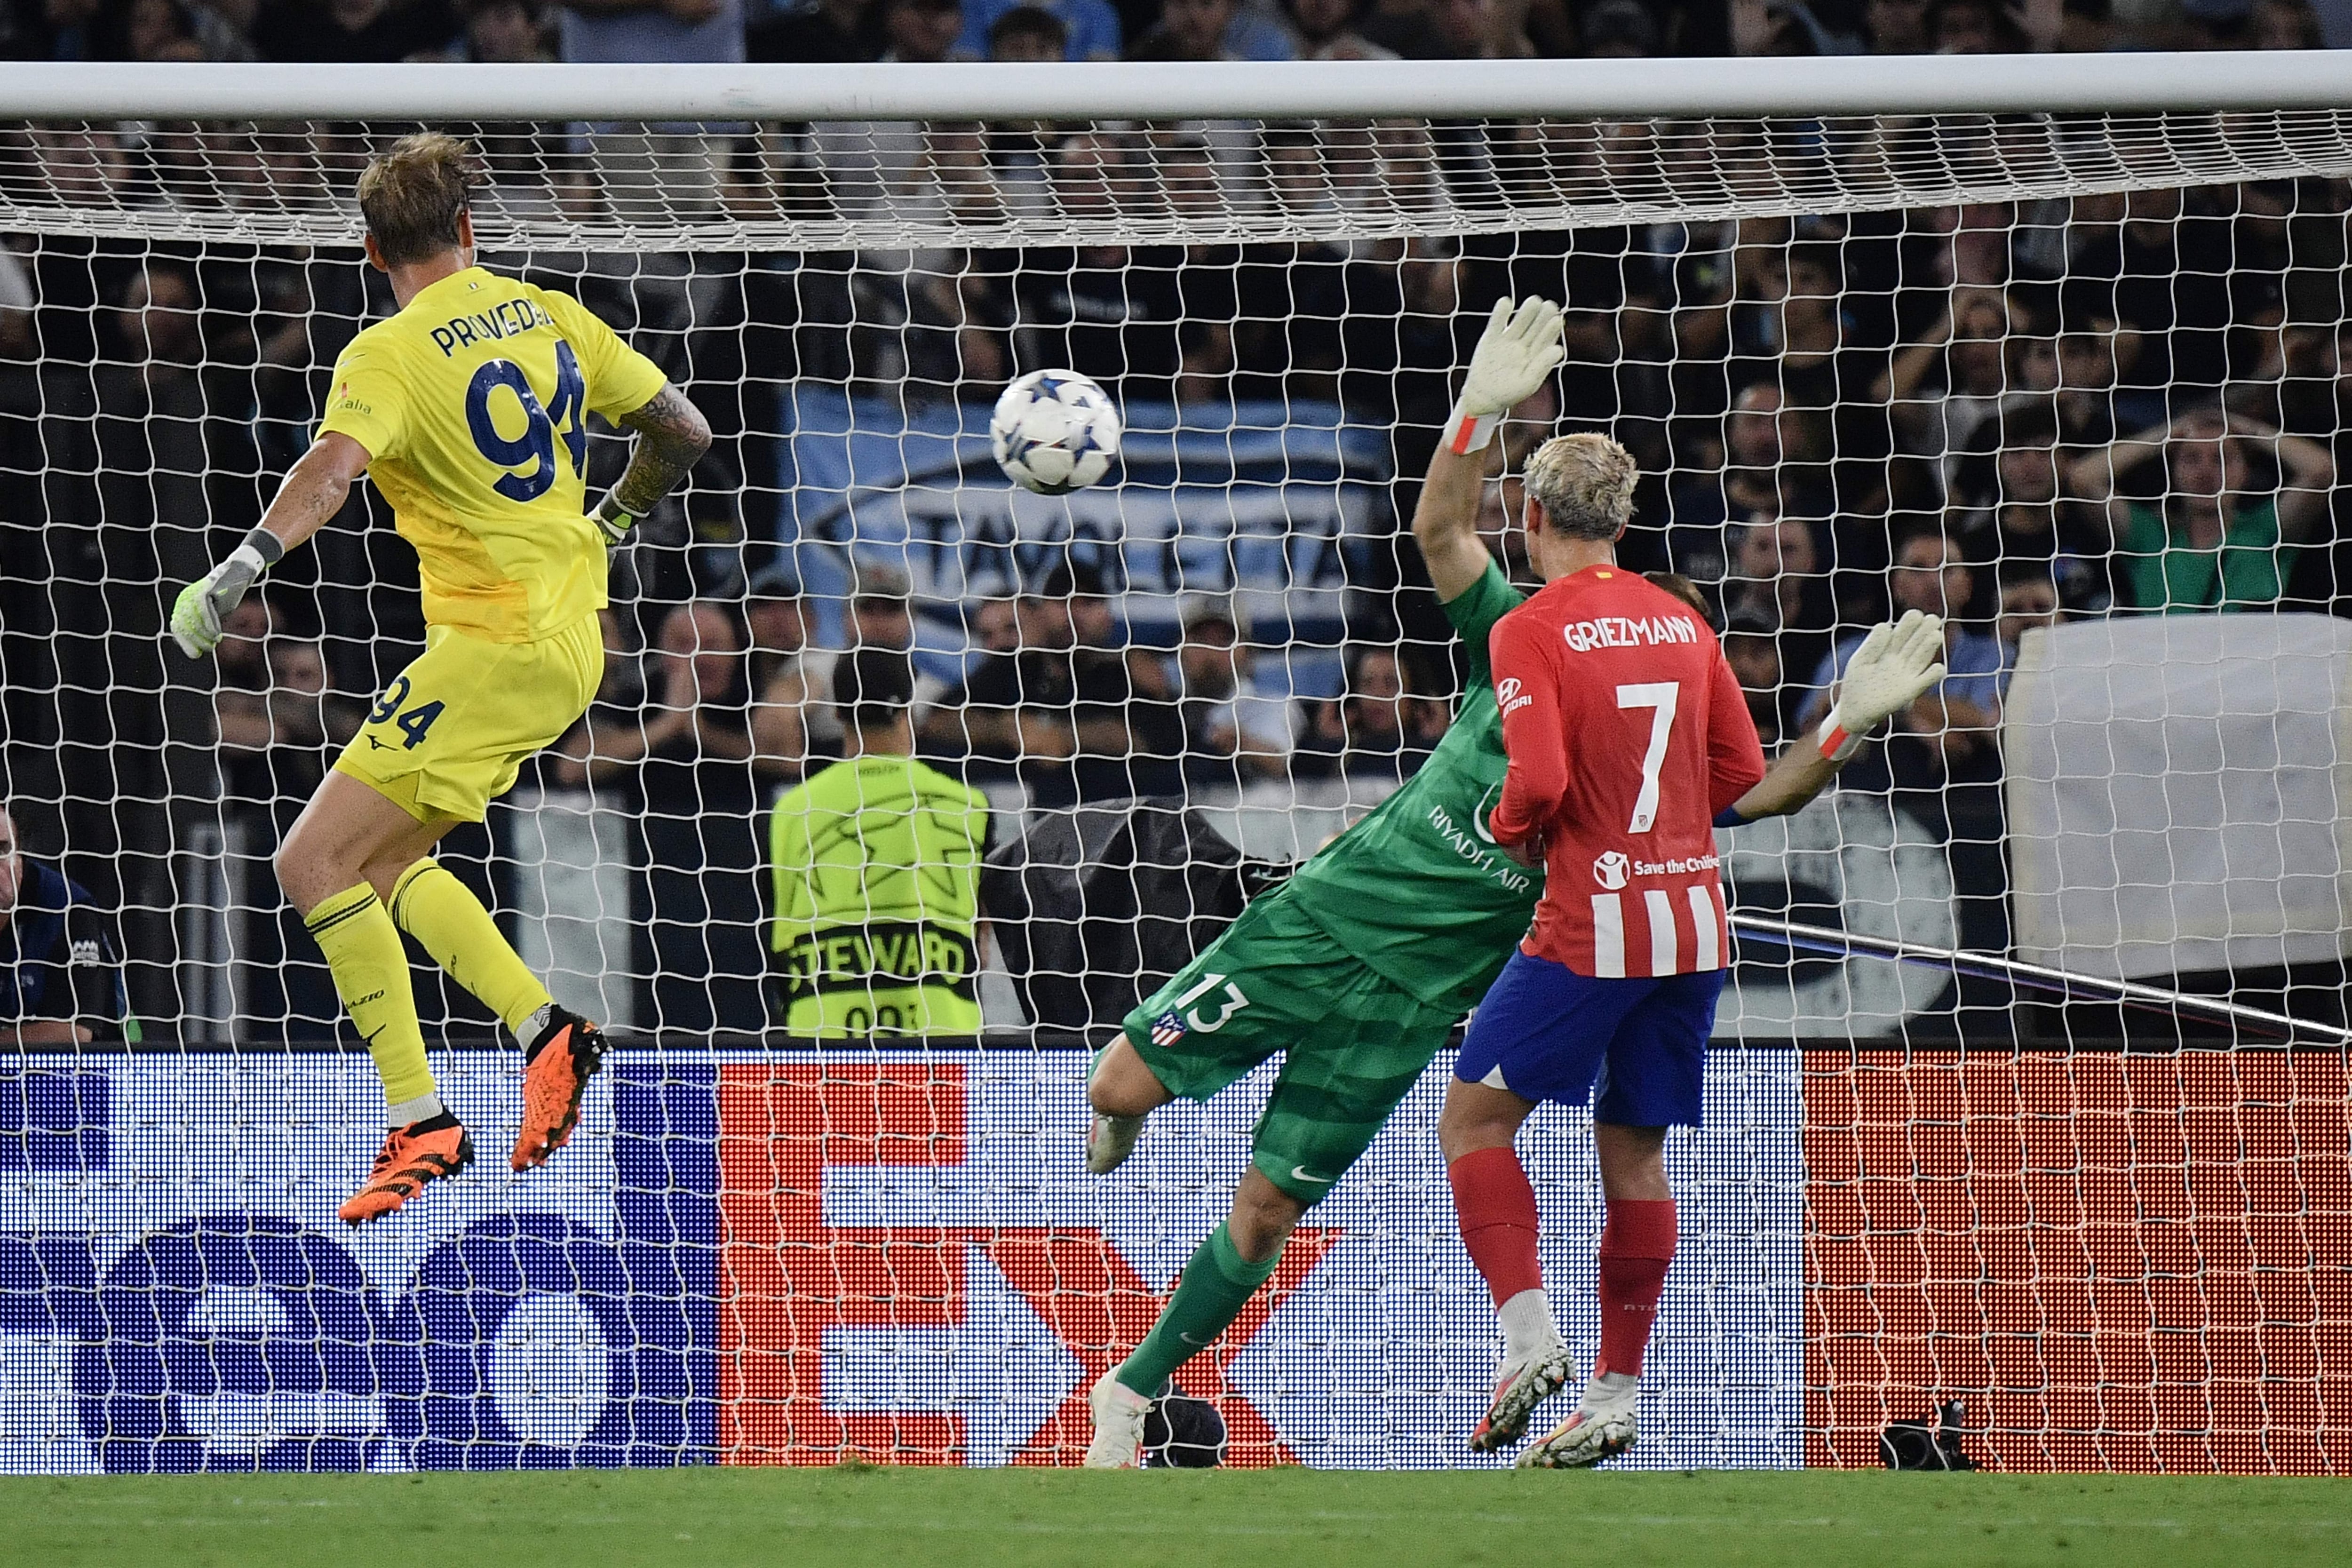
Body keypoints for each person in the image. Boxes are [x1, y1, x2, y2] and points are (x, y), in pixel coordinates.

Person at [1078, 296, 1942, 1467]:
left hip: (1415, 997)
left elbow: (1553, 743)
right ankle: (1590, 1371)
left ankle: (1129, 1391)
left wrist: (1532, 813)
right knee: (1120, 1091)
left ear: (1534, 516)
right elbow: (1444, 537)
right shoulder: (1553, 625)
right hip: (1325, 920)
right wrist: (1838, 728)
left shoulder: (1564, 633)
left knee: (1274, 1208)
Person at [166, 133, 712, 1224]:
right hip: (572, 646)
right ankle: (544, 1032)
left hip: (490, 645)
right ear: (470, 229)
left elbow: (331, 467)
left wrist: (243, 562)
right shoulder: (551, 312)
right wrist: (614, 517)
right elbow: (683, 431)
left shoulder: (387, 352)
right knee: (386, 863)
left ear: (375, 251)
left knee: (311, 860)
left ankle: (420, 1117)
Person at [1438, 433, 1948, 1471]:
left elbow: (1533, 782)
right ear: (1621, 527)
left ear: (1530, 518)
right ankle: (1617, 1394)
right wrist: (1844, 723)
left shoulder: (1531, 629)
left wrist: (1504, 830)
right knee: (1633, 1150)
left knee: (1474, 1122)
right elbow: (1753, 788)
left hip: (1594, 920)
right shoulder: (1683, 622)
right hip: (1693, 928)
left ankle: (1528, 1338)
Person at [767, 648, 992, 1038]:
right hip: (942, 1045)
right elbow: (983, 939)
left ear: (838, 713)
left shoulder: (791, 810)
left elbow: (777, 937)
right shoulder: (969, 805)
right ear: (908, 705)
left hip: (823, 1046)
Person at [2066, 407, 2336, 615]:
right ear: (2174, 473)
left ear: (2244, 473)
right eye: (2191, 459)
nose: (2205, 472)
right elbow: (2083, 479)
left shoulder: (2266, 532)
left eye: (2221, 459)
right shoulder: (2150, 540)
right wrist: (2164, 435)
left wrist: (2242, 427)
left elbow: (2322, 471)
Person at [0, 802, 133, 1046]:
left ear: (20, 856)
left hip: (89, 1074)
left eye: (3, 850)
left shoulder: (68, 908)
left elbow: (77, 1032)